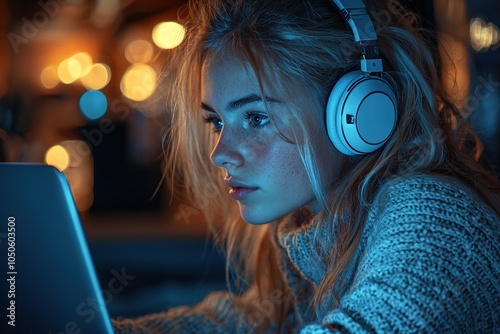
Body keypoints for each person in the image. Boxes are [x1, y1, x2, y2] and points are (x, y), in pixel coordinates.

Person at [113, 0, 500, 332]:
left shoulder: (434, 220)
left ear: (355, 114)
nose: (220, 153)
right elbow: (247, 321)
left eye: (256, 118)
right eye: (216, 122)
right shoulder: (316, 228)